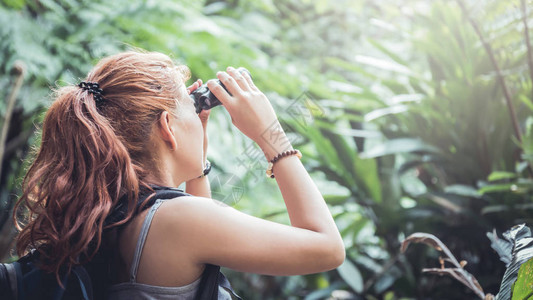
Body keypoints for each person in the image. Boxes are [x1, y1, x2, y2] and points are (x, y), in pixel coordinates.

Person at [13, 51, 345, 298]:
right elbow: (328, 249)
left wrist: (195, 162)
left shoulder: (118, 211)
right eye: (188, 106)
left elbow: (197, 258)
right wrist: (271, 134)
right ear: (168, 128)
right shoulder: (174, 221)